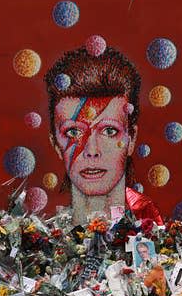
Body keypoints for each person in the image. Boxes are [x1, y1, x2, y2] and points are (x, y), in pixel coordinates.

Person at [44, 47, 162, 225]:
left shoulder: (151, 226)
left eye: (109, 131)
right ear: (55, 144)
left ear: (131, 139)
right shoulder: (41, 235)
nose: (91, 150)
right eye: (74, 132)